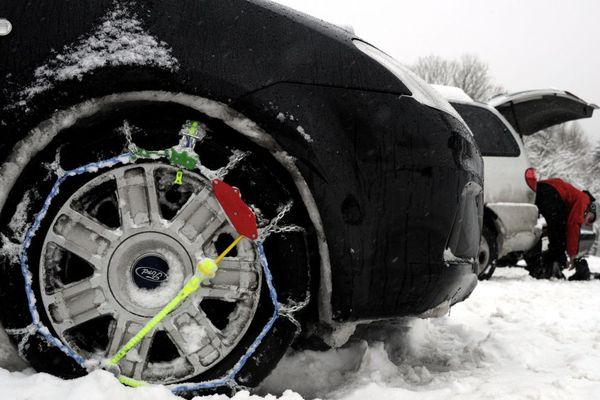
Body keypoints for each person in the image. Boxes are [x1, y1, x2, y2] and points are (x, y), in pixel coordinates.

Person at [526, 178, 596, 279]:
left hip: (536, 189)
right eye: (590, 218)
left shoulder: (573, 196)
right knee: (558, 232)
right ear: (591, 209)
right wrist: (572, 255)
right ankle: (554, 267)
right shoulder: (584, 199)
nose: (586, 221)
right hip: (551, 192)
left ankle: (536, 264)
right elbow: (573, 225)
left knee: (535, 228)